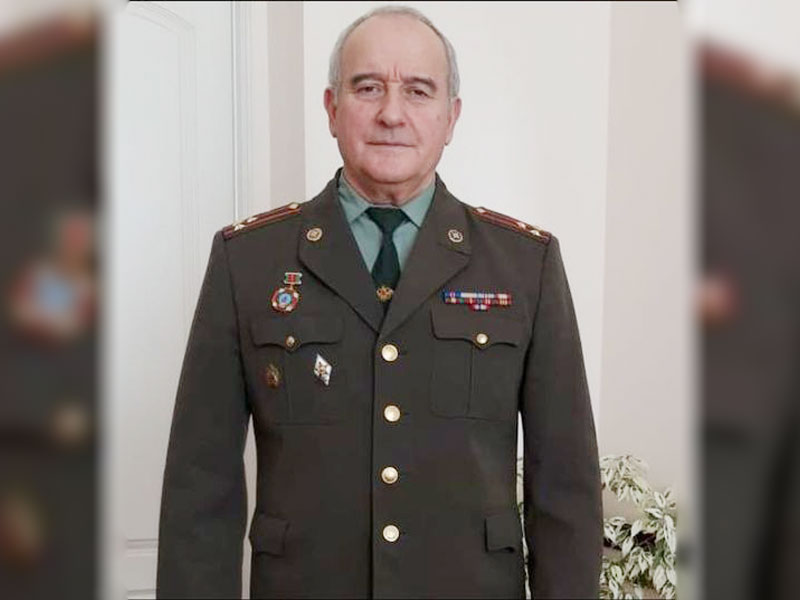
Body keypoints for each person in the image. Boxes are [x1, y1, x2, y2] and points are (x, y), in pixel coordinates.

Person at [156, 6, 602, 599]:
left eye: (418, 90)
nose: (392, 113)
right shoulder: (249, 260)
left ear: (451, 117)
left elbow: (565, 488)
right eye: (367, 88)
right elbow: (199, 489)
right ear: (331, 108)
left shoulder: (525, 265)